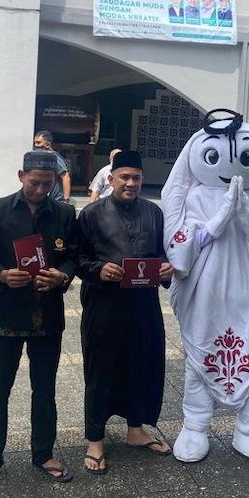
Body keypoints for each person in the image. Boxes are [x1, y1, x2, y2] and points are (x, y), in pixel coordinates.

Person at [161, 109, 249, 464]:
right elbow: (181, 247)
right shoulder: (196, 197)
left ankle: (248, 428)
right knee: (199, 353)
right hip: (204, 289)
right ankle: (195, 425)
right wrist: (219, 219)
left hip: (248, 289)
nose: (232, 167)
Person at [0, 150, 77, 493]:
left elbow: (73, 256)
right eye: (35, 183)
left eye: (48, 184)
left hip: (48, 316)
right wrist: (0, 274)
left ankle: (43, 453)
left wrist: (61, 275)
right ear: (20, 175)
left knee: (44, 388)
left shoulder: (64, 213)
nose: (41, 190)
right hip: (7, 314)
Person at [73, 150, 173, 474]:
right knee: (101, 370)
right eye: (124, 177)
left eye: (136, 178)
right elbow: (77, 259)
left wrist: (167, 271)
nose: (130, 183)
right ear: (111, 178)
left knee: (140, 365)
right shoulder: (91, 214)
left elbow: (161, 253)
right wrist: (99, 269)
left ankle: (136, 430)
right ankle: (95, 440)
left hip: (144, 305)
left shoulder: (154, 214)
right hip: (104, 306)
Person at [32, 130, 72, 203]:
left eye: (39, 142)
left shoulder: (54, 157)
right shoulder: (37, 157)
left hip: (55, 200)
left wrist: (66, 199)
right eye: (35, 142)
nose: (36, 145)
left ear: (47, 145)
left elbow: (65, 177)